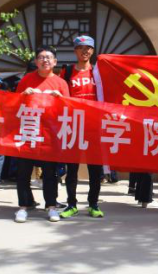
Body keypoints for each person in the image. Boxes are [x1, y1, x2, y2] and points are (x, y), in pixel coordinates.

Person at [14, 47, 70, 223]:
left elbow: (69, 109)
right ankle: (23, 207)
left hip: (50, 134)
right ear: (36, 61)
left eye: (48, 57)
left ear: (55, 62)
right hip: (29, 131)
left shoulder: (61, 83)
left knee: (50, 173)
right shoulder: (26, 80)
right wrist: (23, 95)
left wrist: (61, 98)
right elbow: (14, 104)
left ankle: (51, 206)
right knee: (23, 172)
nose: (45, 60)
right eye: (41, 57)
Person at [59, 36, 105, 219]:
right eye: (81, 48)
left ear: (92, 51)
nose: (84, 51)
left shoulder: (98, 72)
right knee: (72, 169)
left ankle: (93, 204)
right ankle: (71, 204)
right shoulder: (68, 72)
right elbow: (60, 95)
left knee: (95, 170)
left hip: (95, 126)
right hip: (74, 126)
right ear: (75, 51)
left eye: (88, 48)